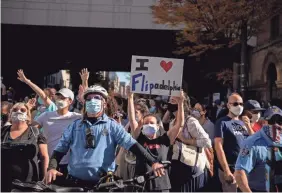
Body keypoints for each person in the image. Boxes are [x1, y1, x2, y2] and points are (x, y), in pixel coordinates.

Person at [45, 85, 166, 187]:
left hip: (102, 185)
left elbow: (133, 145)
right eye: (89, 99)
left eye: (97, 98)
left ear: (104, 103)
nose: (92, 101)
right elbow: (60, 150)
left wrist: (153, 162)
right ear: (85, 103)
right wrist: (51, 168)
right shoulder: (75, 126)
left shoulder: (112, 126)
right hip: (75, 184)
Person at [129, 89, 185, 192]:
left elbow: (180, 124)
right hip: (142, 186)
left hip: (161, 185)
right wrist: (130, 97)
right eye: (146, 123)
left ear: (158, 126)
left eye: (151, 122)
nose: (148, 125)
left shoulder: (164, 138)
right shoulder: (139, 137)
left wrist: (180, 102)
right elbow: (132, 120)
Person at [33, 88, 82, 184]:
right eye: (58, 97)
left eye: (63, 98)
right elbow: (31, 130)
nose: (59, 100)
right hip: (47, 163)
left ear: (70, 101)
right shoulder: (46, 115)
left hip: (69, 165)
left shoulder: (76, 117)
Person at [1, 103, 49, 192]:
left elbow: (44, 156)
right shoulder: (3, 131)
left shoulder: (36, 132)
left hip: (27, 182)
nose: (18, 112)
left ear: (27, 115)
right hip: (4, 180)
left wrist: (45, 176)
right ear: (10, 114)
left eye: (22, 110)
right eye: (15, 110)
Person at [169, 94, 212, 192]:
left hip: (192, 169)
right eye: (170, 100)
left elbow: (207, 142)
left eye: (173, 100)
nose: (170, 103)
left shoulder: (190, 121)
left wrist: (185, 140)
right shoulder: (172, 122)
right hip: (177, 165)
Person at [234, 106, 282, 192]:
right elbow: (239, 173)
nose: (276, 125)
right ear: (264, 122)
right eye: (272, 121)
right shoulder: (251, 143)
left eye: (280, 121)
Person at [214, 93, 252, 192]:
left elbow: (253, 141)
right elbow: (218, 147)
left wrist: (248, 126)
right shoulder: (222, 122)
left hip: (244, 168)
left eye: (241, 104)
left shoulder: (243, 122)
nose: (239, 106)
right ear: (228, 105)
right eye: (235, 104)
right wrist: (226, 170)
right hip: (231, 168)